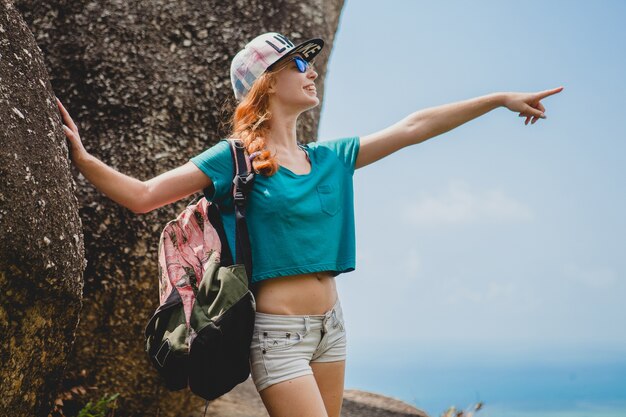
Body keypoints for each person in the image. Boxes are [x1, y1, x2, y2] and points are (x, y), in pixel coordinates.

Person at [57, 31, 563, 417]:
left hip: (332, 329)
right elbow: (144, 196)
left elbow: (413, 127)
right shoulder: (232, 159)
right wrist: (82, 157)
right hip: (278, 335)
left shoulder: (329, 158)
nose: (311, 70)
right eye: (299, 62)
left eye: (311, 62)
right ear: (268, 83)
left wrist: (497, 99)